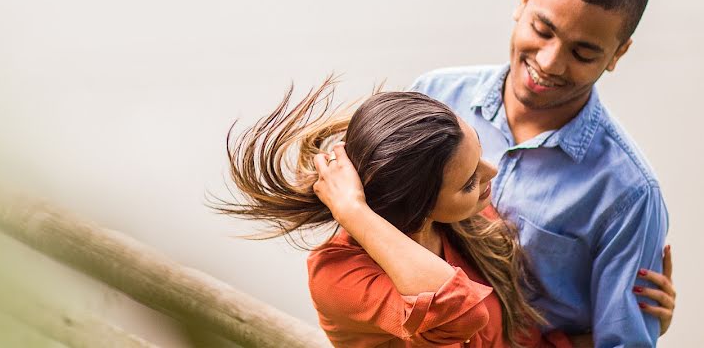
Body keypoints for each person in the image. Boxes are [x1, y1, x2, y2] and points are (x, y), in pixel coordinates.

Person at [216, 81, 674, 346]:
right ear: (417, 205)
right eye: (470, 180)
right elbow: (460, 314)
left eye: (478, 151)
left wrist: (633, 321)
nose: (493, 170)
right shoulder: (339, 276)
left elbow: (515, 336)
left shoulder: (465, 225)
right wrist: (354, 211)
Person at [408, 0, 675, 345]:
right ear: (523, 0)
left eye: (583, 53)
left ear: (618, 54)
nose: (549, 62)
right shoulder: (435, 96)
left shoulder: (630, 194)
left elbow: (624, 339)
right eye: (542, 29)